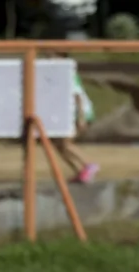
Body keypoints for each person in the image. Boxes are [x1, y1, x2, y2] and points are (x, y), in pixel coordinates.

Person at [50, 55, 100, 184]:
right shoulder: (56, 77)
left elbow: (78, 96)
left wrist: (81, 117)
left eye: (54, 58)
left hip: (80, 114)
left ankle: (89, 164)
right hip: (70, 115)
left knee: (66, 143)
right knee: (59, 146)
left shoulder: (69, 75)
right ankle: (79, 172)